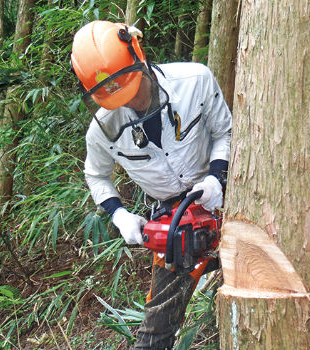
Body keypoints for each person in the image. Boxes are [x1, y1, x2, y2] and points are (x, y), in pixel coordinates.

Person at [70, 21, 232, 349]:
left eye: (131, 89)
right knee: (156, 327)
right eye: (112, 97)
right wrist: (119, 215)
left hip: (226, 193)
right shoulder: (102, 130)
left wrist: (218, 176)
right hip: (176, 219)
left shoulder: (194, 81)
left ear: (139, 58)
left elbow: (225, 132)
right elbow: (96, 175)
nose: (127, 102)